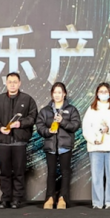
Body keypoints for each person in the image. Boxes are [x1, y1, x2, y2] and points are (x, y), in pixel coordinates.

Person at [0, 72, 38, 209]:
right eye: (10, 82)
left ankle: (17, 199)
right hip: (4, 142)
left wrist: (20, 123)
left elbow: (33, 117)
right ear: (6, 83)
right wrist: (0, 128)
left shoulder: (27, 99)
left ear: (19, 83)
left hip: (20, 142)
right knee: (4, 172)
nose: (12, 84)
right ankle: (5, 199)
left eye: (15, 82)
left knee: (19, 172)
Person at [36, 82, 81, 210]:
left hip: (65, 146)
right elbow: (39, 126)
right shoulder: (45, 110)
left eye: (59, 92)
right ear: (52, 94)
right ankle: (50, 198)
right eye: (55, 92)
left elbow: (75, 125)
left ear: (64, 94)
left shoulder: (71, 110)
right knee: (51, 173)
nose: (57, 95)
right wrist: (48, 131)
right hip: (50, 146)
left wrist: (62, 121)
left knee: (65, 172)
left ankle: (63, 198)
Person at [82, 83, 110, 209]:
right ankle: (97, 202)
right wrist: (93, 140)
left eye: (105, 91)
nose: (103, 94)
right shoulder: (91, 109)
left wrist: (109, 129)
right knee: (96, 176)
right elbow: (86, 127)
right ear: (97, 94)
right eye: (100, 91)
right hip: (96, 147)